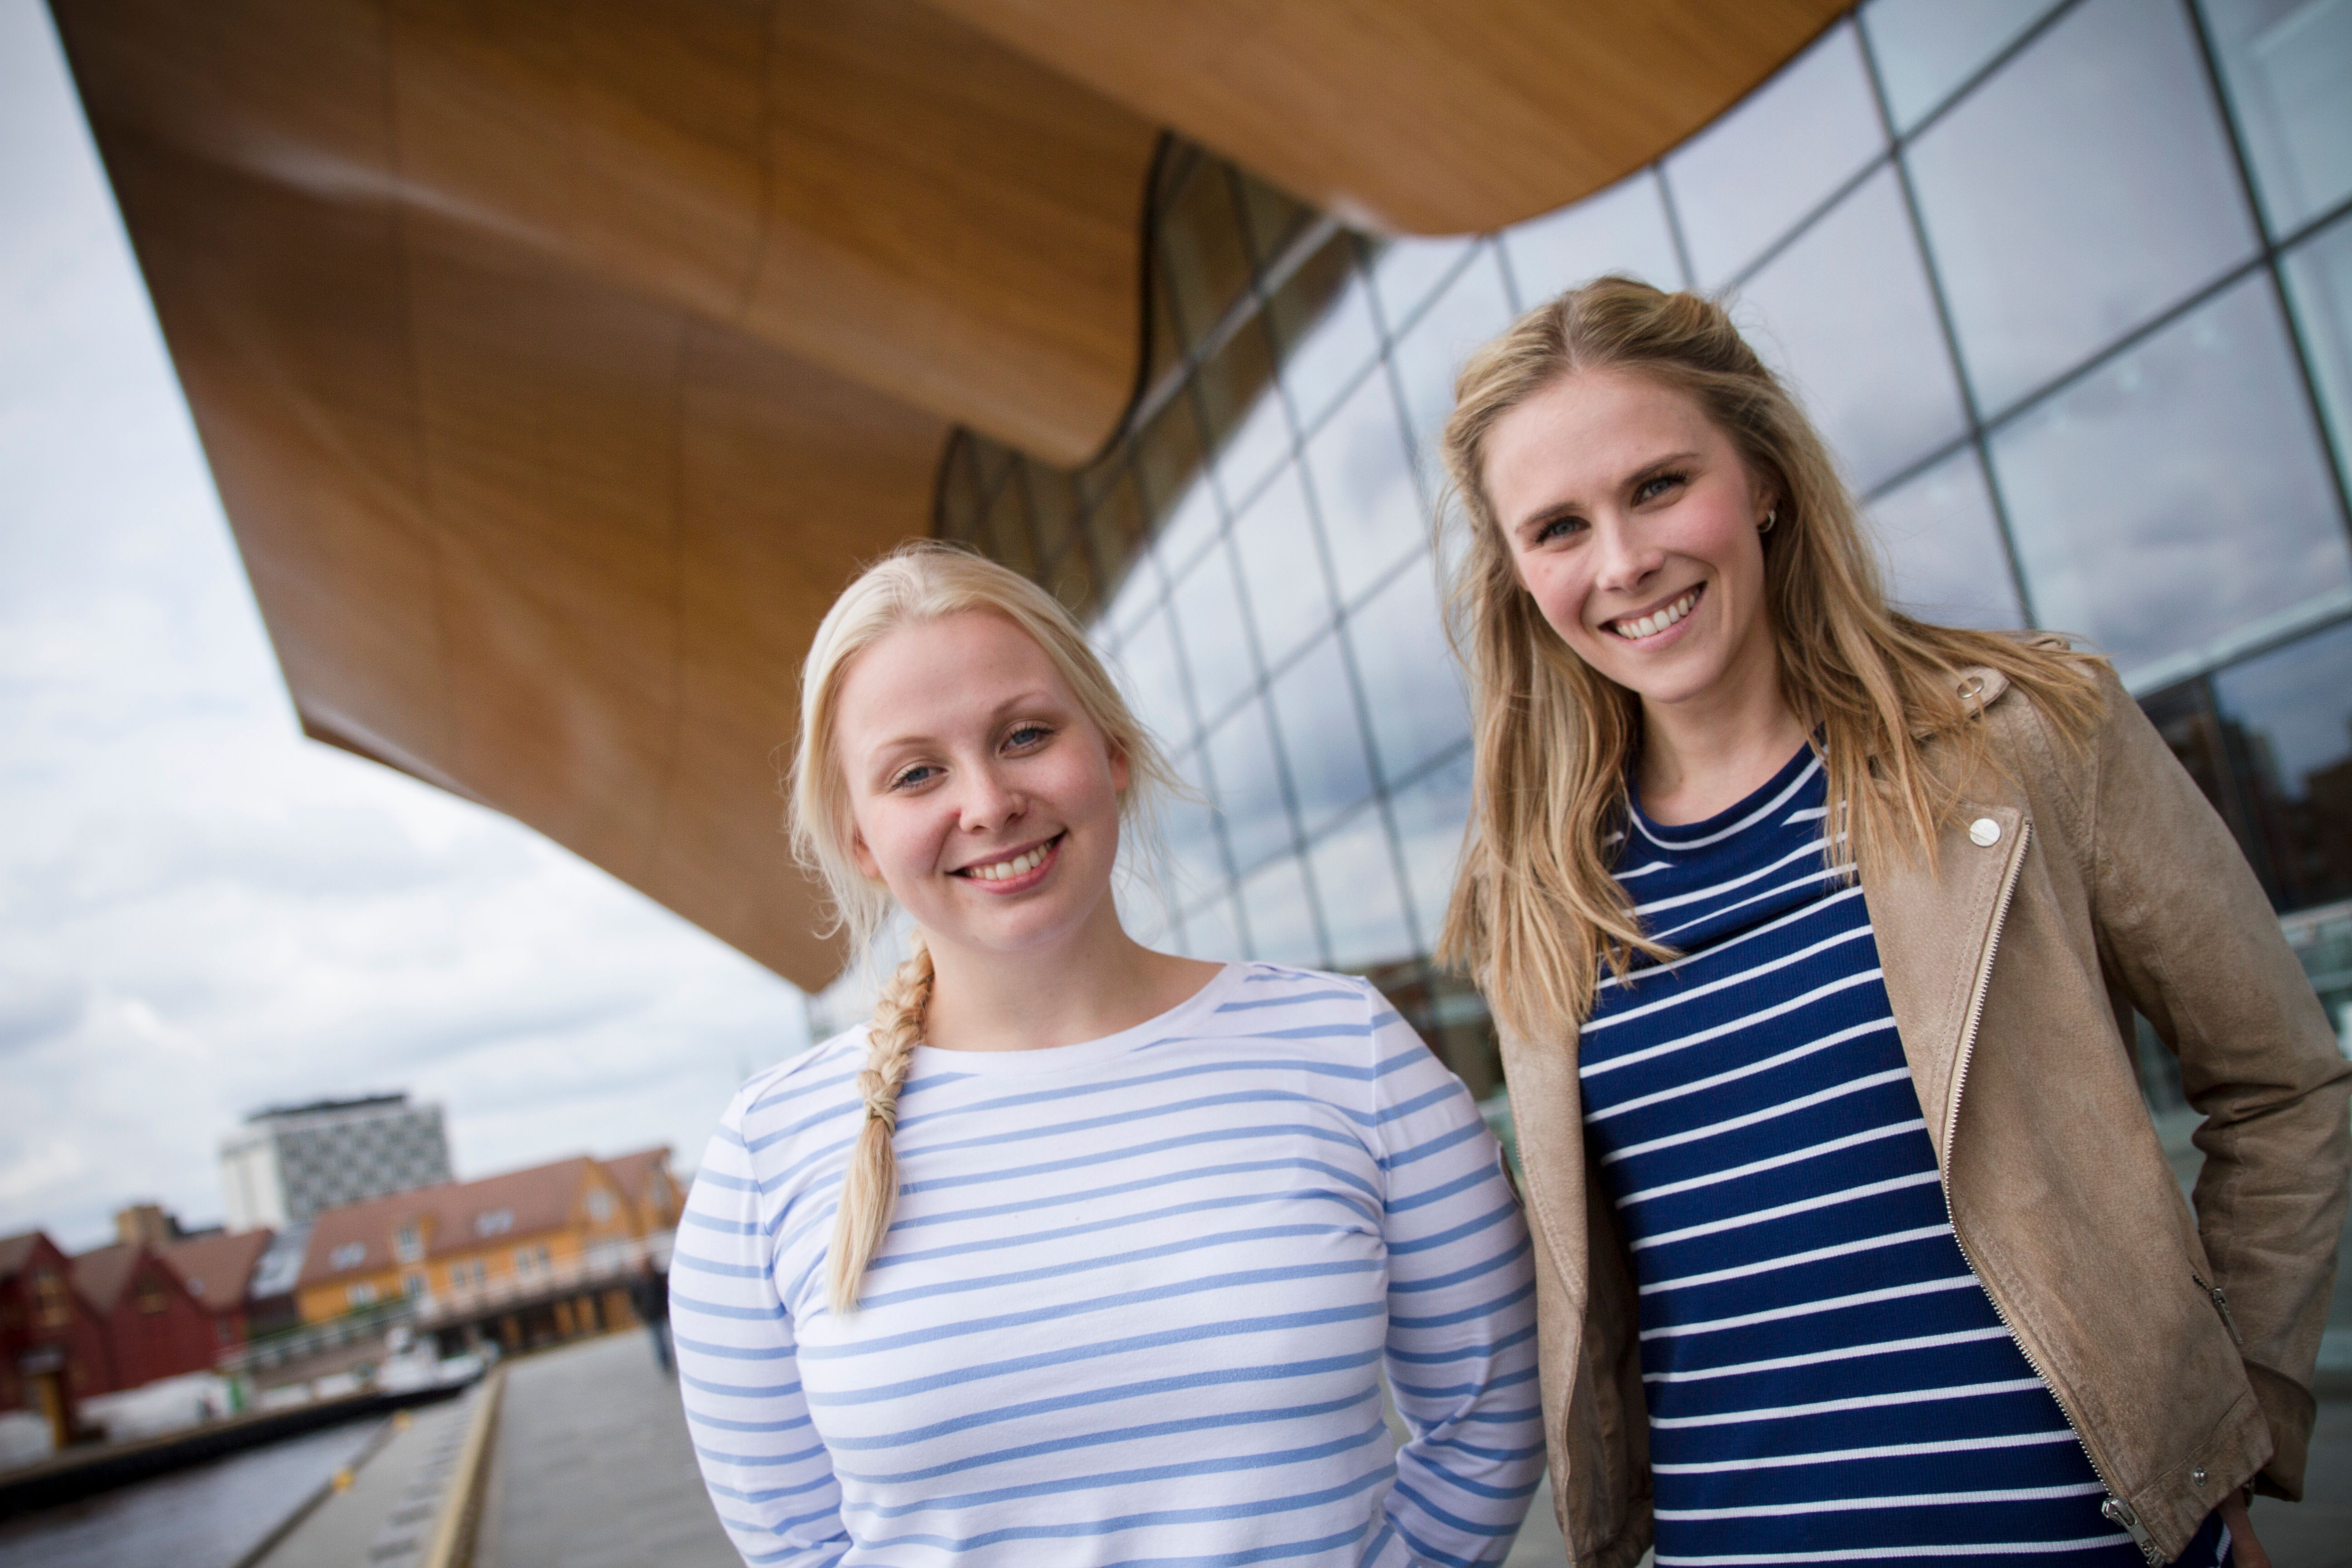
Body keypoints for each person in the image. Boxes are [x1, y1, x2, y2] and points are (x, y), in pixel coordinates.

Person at [1433, 276, 2350, 1568]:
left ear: (1762, 479)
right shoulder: (1533, 892)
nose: (1624, 562)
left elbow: (2282, 1087)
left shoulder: (2031, 738)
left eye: (1659, 486)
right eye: (1559, 528)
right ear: (1519, 571)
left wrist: (2225, 1433)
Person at [672, 543, 1543, 1567]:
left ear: (1113, 751)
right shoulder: (766, 1152)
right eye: (916, 774)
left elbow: (1493, 1412)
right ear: (861, 840)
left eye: (1025, 735)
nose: (987, 803)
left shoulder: (1347, 1049)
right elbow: (791, 1543)